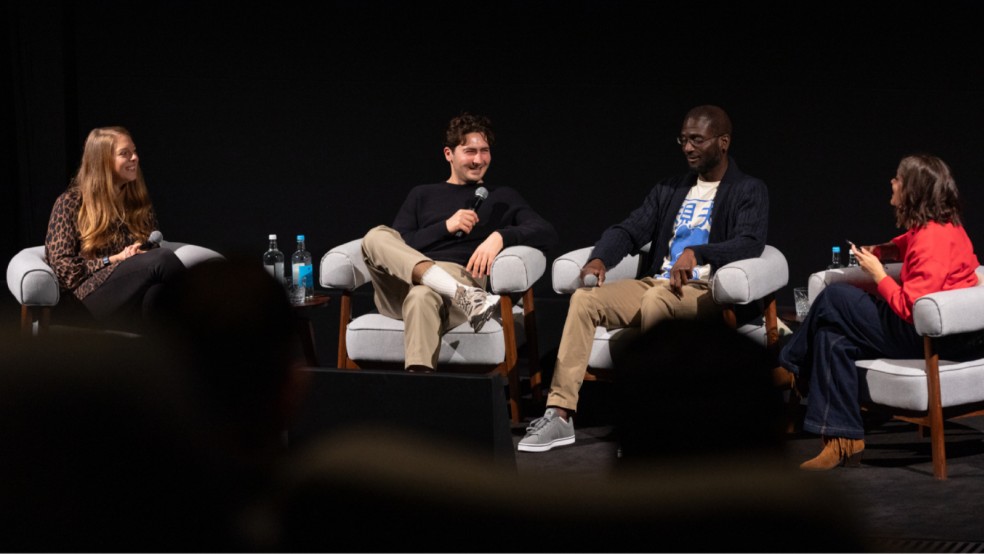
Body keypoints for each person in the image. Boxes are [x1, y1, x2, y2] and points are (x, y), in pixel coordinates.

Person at [519, 105, 769, 453]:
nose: (688, 148)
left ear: (723, 142)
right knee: (585, 299)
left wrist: (698, 253)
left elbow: (750, 242)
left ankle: (649, 424)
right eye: (683, 140)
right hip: (659, 283)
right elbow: (630, 229)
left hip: (706, 290)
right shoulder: (669, 189)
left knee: (656, 299)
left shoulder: (748, 189)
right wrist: (599, 259)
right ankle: (560, 414)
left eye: (697, 140)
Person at [776, 154, 980, 471]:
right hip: (922, 329)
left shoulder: (933, 240)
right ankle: (843, 442)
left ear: (913, 191)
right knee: (831, 337)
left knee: (834, 297)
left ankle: (790, 365)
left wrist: (879, 274)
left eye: (899, 178)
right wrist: (882, 251)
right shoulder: (936, 228)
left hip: (928, 338)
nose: (892, 182)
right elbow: (906, 244)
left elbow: (910, 309)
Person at [359, 112, 558, 372]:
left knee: (422, 295)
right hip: (401, 287)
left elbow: (546, 232)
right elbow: (401, 243)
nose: (478, 160)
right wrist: (445, 226)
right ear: (448, 154)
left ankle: (418, 388)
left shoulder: (502, 197)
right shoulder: (422, 194)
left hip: (457, 280)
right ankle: (466, 297)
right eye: (470, 151)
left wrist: (500, 236)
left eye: (484, 151)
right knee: (376, 235)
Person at [44, 126, 186, 333]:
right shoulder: (70, 203)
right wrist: (114, 259)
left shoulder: (138, 203)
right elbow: (64, 272)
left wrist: (140, 251)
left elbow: (151, 248)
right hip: (84, 301)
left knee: (157, 294)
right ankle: (213, 315)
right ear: (102, 161)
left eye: (134, 151)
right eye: (124, 153)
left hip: (128, 295)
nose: (135, 158)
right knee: (162, 258)